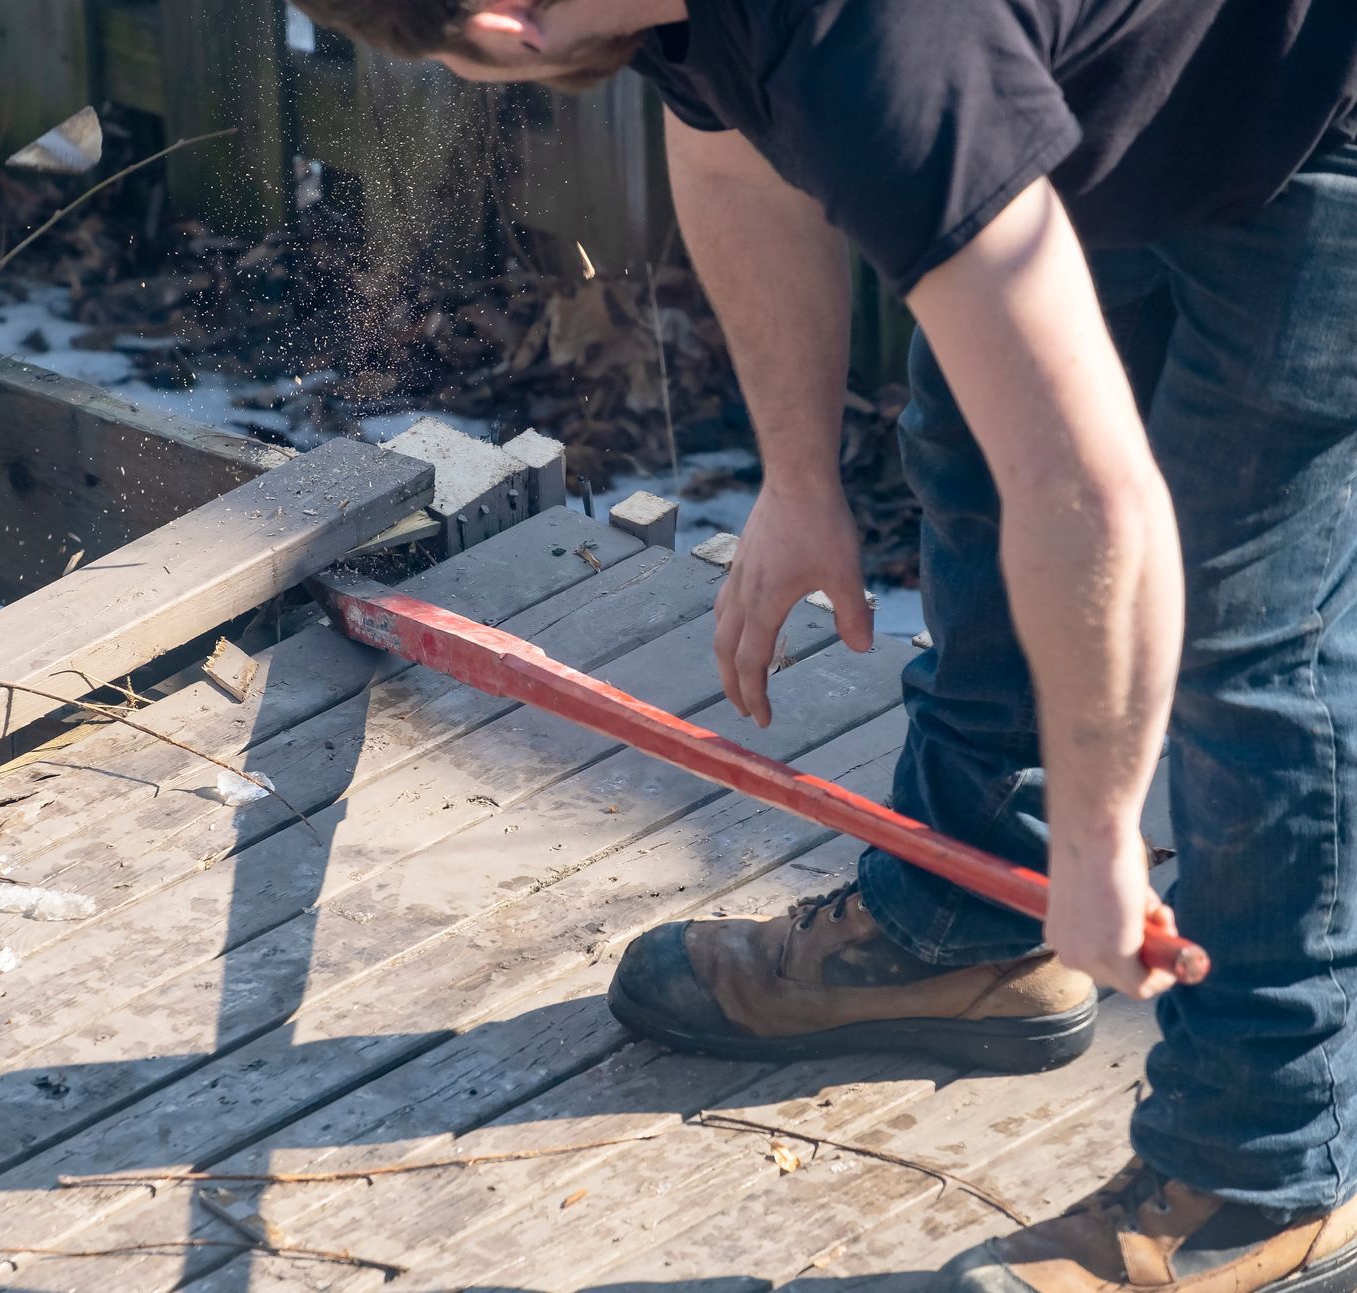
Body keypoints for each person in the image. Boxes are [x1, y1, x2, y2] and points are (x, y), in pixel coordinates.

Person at [291, 2, 1357, 1288]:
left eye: (461, 60)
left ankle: (1260, 1165)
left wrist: (1099, 837)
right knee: (975, 444)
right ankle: (966, 920)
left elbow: (1089, 498)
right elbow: (733, 134)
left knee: (1247, 632)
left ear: (510, 20)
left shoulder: (884, 48)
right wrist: (798, 482)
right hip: (1129, 74)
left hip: (1318, 98)